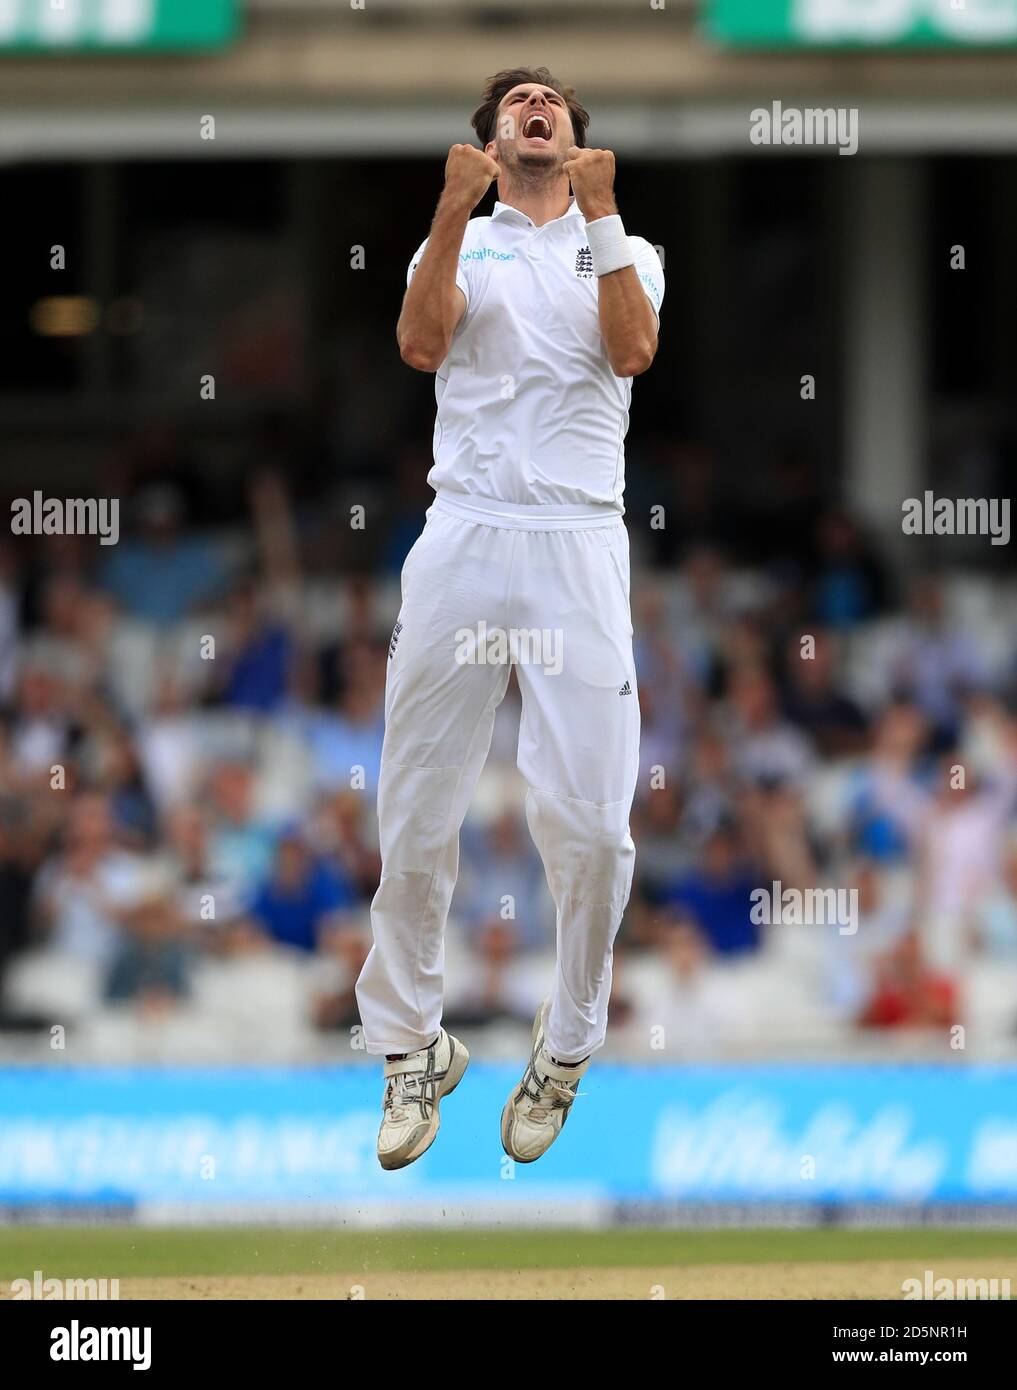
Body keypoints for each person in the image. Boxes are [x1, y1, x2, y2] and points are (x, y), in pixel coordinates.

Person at [354, 66, 664, 1169]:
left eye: (556, 101)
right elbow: (422, 345)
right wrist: (448, 210)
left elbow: (630, 350)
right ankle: (409, 1049)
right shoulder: (461, 239)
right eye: (515, 101)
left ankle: (566, 1046)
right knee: (416, 809)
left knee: (590, 829)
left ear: (578, 135)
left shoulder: (628, 248)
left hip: (578, 541)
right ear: (488, 137)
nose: (537, 106)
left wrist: (604, 211)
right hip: (467, 530)